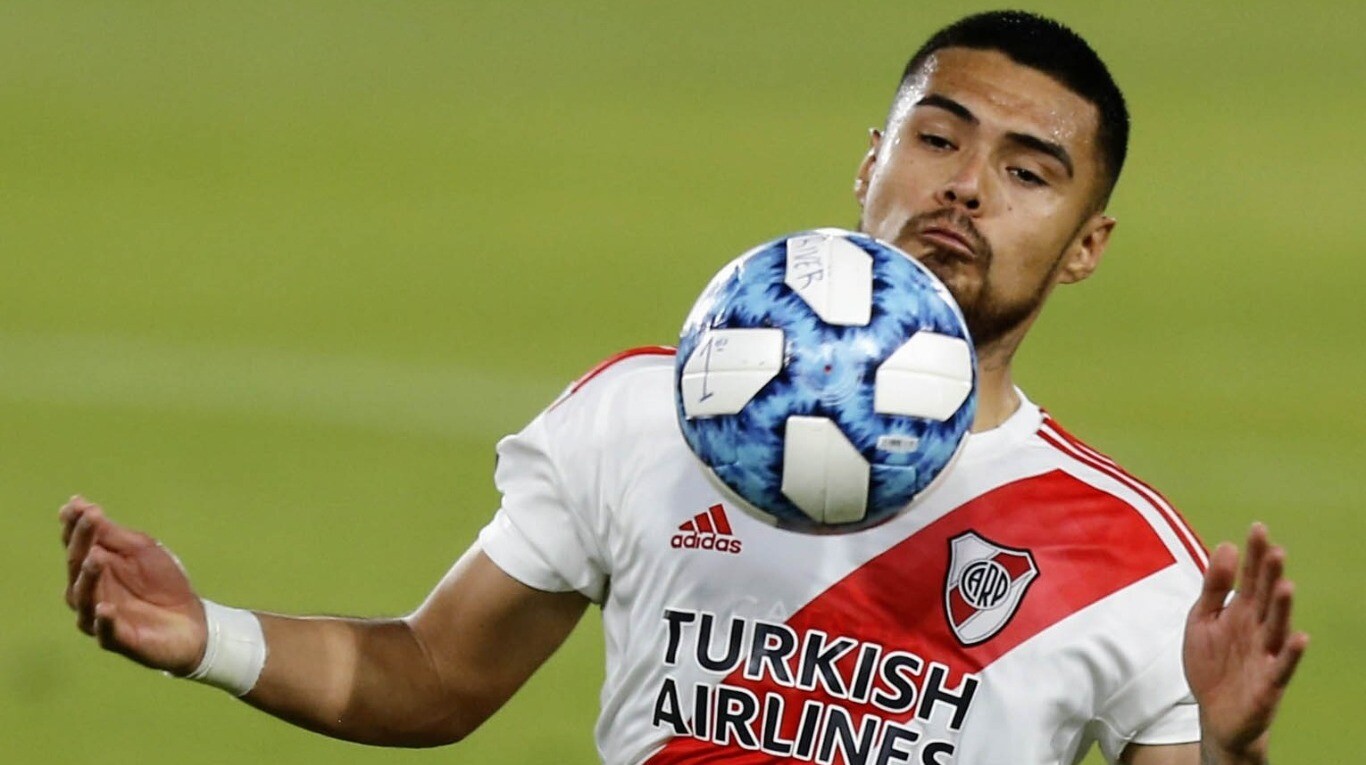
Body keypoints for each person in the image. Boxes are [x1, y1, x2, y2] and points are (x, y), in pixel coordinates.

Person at [60, 10, 1306, 765]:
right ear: (871, 160)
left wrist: (1234, 746)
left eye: (1029, 172)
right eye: (938, 137)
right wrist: (203, 637)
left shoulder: (1134, 560)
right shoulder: (646, 416)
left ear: (1086, 245)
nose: (965, 187)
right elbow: (438, 676)